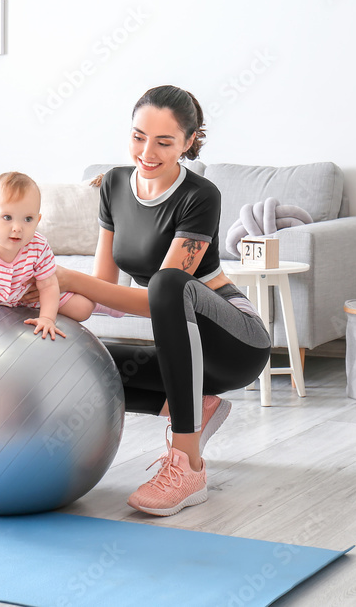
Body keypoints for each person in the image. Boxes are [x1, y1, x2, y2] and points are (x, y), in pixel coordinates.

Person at [48, 85, 272, 516]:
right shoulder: (114, 184)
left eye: (164, 142)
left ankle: (187, 467)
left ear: (188, 143)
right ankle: (193, 404)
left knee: (167, 284)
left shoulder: (200, 196)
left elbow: (161, 300)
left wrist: (68, 276)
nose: (146, 152)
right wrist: (47, 297)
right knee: (76, 362)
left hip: (235, 342)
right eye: (138, 137)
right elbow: (100, 288)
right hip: (183, 354)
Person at [0, 171, 95, 347]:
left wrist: (47, 318)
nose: (17, 228)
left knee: (83, 308)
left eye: (28, 219)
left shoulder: (39, 246)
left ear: (37, 221)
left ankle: (101, 301)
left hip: (30, 298)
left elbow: (48, 286)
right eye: (7, 218)